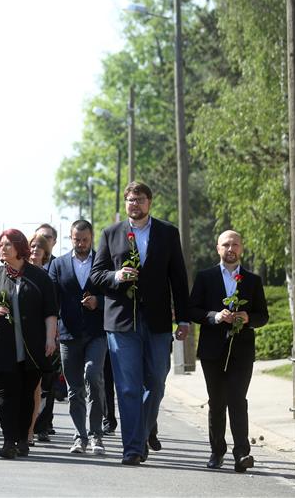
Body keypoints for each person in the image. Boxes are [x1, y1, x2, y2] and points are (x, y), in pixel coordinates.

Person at [90, 181, 190, 465]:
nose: (135, 204)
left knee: (156, 383)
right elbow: (97, 275)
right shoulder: (111, 234)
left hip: (158, 321)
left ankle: (142, 432)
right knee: (128, 387)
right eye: (130, 200)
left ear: (150, 202)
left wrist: (183, 318)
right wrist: (116, 277)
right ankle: (132, 448)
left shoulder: (168, 233)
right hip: (122, 322)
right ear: (125, 203)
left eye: (140, 199)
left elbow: (179, 279)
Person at [0, 229, 58, 459]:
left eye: (8, 244)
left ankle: (23, 437)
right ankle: (9, 440)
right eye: (0, 244)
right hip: (2, 347)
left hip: (32, 347)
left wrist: (50, 338)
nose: (3, 247)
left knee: (27, 394)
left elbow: (50, 312)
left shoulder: (39, 277)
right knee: (6, 394)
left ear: (20, 247)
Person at [189, 230, 269, 473]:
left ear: (241, 248)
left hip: (242, 351)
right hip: (213, 350)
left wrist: (247, 318)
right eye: (226, 244)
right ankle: (217, 451)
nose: (231, 248)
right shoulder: (205, 277)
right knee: (217, 402)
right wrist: (215, 316)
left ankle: (242, 453)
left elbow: (262, 316)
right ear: (218, 248)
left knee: (237, 400)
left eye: (235, 244)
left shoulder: (252, 280)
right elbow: (193, 310)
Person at [49, 220, 106, 455]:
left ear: (92, 238)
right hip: (68, 334)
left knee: (93, 377)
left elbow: (113, 294)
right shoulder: (59, 265)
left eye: (85, 239)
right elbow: (51, 301)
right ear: (70, 238)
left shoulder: (103, 262)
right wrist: (51, 332)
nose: (81, 244)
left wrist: (98, 302)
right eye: (77, 239)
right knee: (74, 389)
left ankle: (96, 435)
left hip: (97, 332)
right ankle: (79, 436)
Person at [28, 232, 56, 444]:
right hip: (17, 337)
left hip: (41, 336)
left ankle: (35, 428)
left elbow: (52, 310)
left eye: (40, 247)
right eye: (32, 245)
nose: (35, 249)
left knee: (39, 386)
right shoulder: (15, 271)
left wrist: (51, 336)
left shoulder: (48, 276)